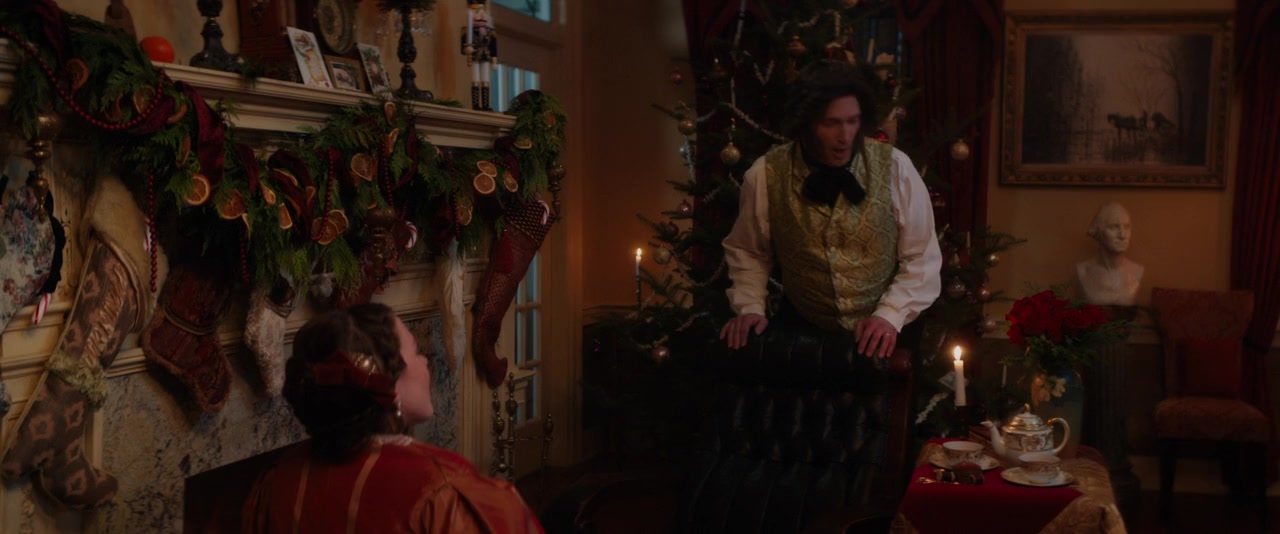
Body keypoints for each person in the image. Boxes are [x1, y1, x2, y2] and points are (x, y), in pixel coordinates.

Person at [243, 303, 543, 533]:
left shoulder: (276, 481)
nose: (425, 361)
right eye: (415, 351)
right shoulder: (438, 488)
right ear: (386, 382)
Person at [719, 60, 941, 358]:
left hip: (887, 332)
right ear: (806, 124)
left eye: (852, 121)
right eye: (831, 123)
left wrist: (889, 314)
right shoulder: (765, 174)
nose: (845, 136)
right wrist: (749, 307)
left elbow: (921, 257)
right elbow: (749, 251)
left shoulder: (896, 168)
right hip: (803, 332)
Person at [1075, 202, 1143, 306]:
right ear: (1099, 231)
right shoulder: (1082, 272)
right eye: (1114, 227)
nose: (1122, 235)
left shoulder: (1137, 271)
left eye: (1127, 227)